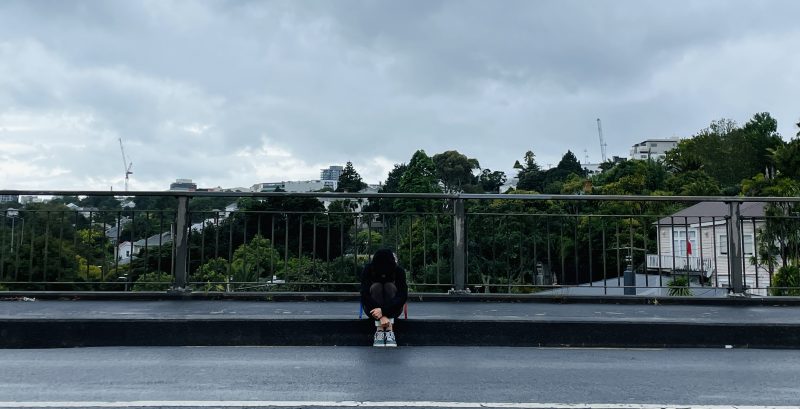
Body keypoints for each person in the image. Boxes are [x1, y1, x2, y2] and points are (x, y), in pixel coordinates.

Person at [360, 248, 408, 347]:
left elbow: (402, 296)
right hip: (371, 310)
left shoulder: (399, 271)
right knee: (376, 286)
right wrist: (381, 315)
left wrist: (383, 311)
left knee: (389, 286)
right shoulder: (368, 269)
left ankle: (384, 330)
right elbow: (364, 295)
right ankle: (383, 329)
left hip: (394, 310)